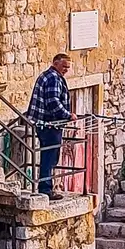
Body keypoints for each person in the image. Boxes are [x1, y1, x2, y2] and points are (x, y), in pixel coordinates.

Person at [27, 53, 72, 196]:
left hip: (43, 123)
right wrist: (68, 115)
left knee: (49, 155)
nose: (66, 70)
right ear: (55, 63)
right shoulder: (53, 77)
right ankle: (46, 189)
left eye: (68, 67)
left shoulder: (47, 75)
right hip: (49, 124)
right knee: (50, 156)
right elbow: (53, 103)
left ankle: (46, 187)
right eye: (64, 66)